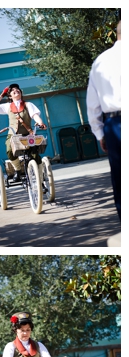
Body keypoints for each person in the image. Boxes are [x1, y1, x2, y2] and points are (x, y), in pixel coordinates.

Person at [86, 21, 121, 217]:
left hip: (115, 124)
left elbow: (93, 103)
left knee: (120, 176)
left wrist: (99, 132)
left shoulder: (101, 61)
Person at [0, 83, 47, 177]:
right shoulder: (8, 106)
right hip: (13, 135)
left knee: (35, 156)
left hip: (28, 134)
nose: (16, 90)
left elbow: (35, 116)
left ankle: (41, 180)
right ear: (10, 96)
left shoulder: (28, 104)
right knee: (9, 151)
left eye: (17, 89)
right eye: (12, 90)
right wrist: (2, 95)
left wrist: (41, 123)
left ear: (21, 92)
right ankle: (18, 170)